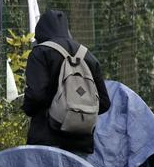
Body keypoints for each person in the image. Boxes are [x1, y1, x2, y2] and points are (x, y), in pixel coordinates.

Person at [22, 10, 111, 156]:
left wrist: (29, 109)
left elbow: (36, 95)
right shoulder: (87, 56)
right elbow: (105, 102)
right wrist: (79, 114)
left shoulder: (41, 52)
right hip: (81, 143)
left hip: (47, 140)